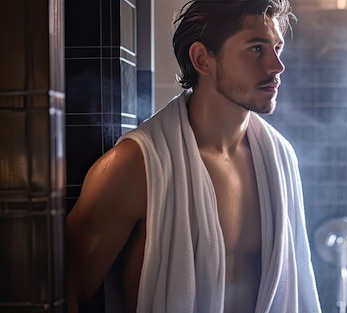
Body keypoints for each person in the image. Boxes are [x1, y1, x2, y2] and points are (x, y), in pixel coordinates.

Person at [66, 0, 322, 312]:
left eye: (277, 48)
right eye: (256, 49)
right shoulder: (136, 165)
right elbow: (65, 288)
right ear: (203, 59)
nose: (277, 66)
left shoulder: (280, 159)